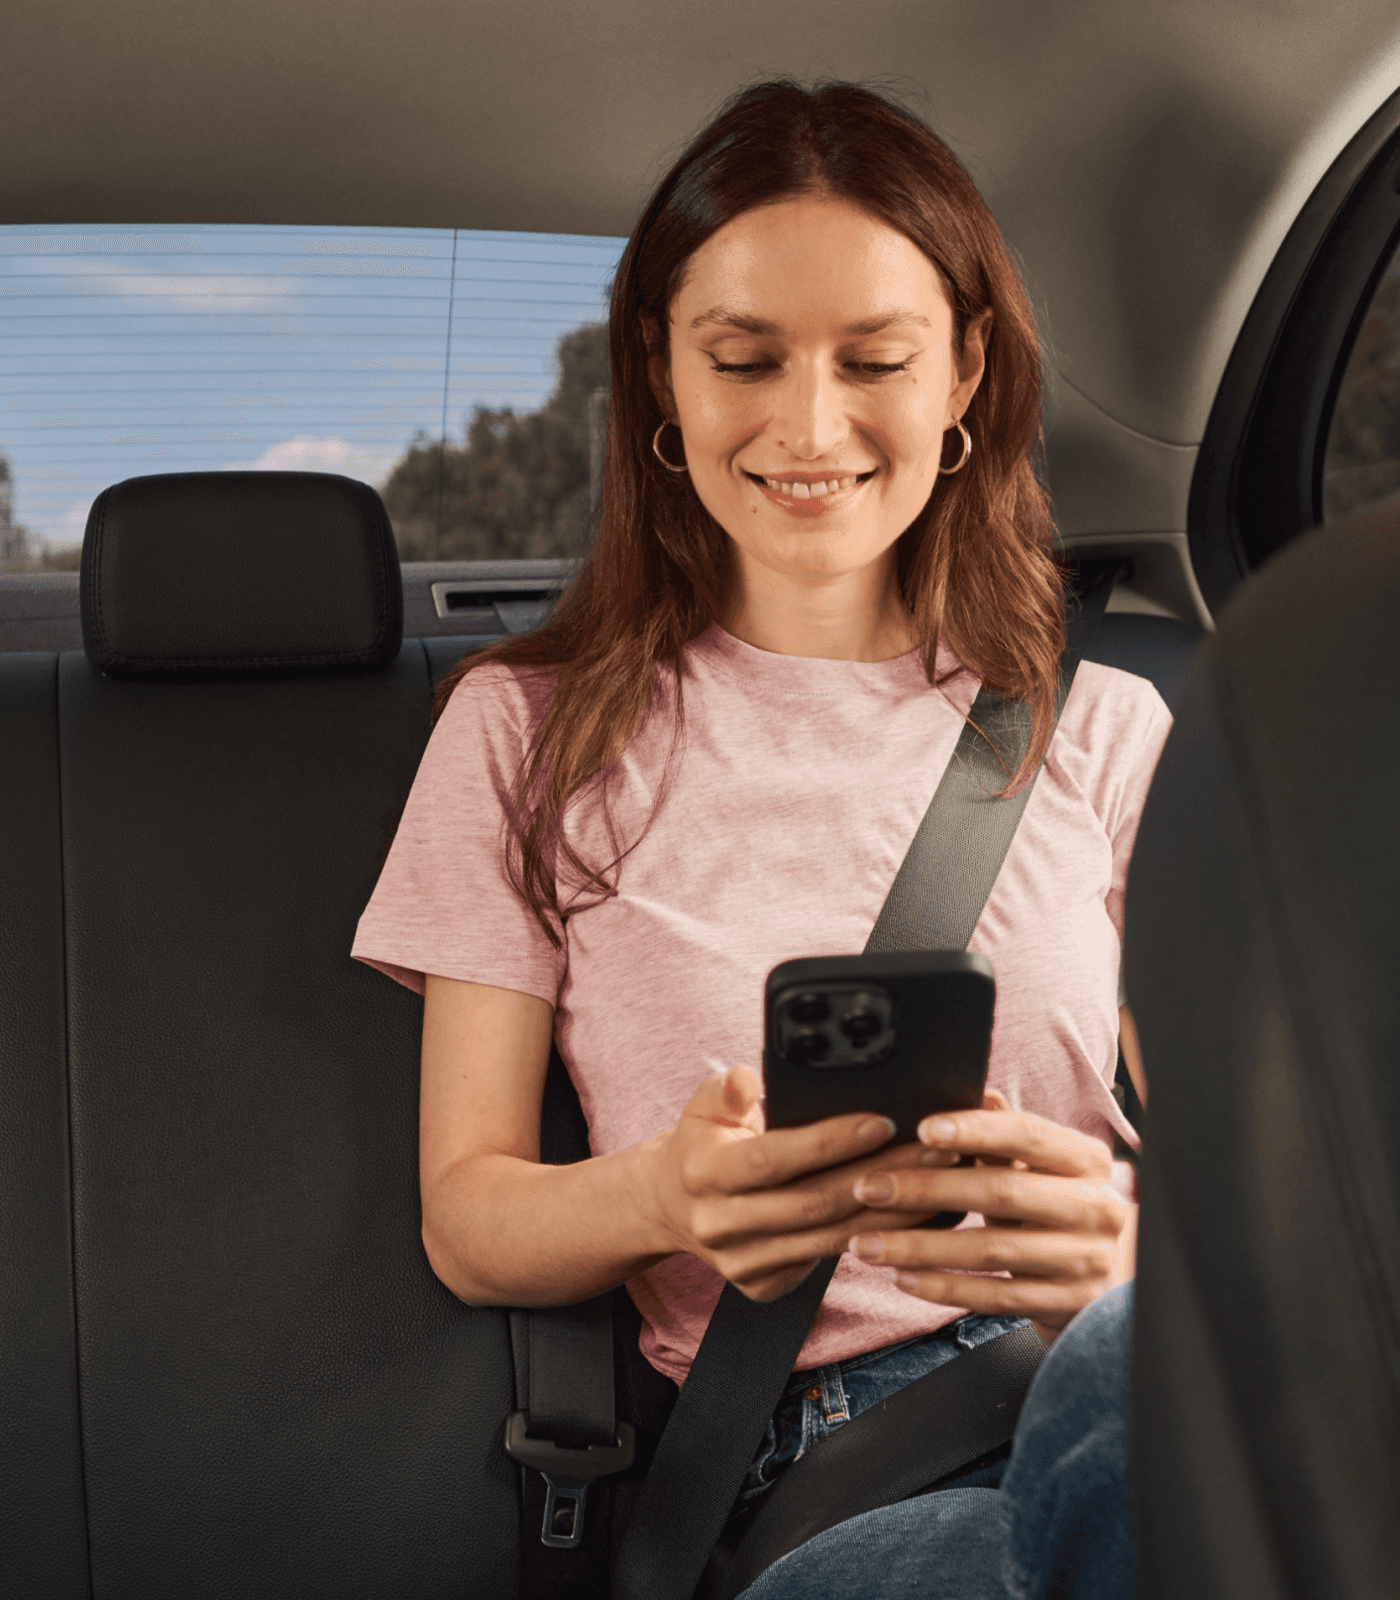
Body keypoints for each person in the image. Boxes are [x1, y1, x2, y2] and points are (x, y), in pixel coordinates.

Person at [353, 78, 1171, 1598]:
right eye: (743, 359)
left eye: (875, 359)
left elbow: (1260, 1198)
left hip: (1123, 1389)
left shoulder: (1110, 732)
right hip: (830, 1473)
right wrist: (668, 1196)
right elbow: (470, 1220)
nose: (809, 426)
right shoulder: (526, 735)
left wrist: (1118, 1246)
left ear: (966, 370)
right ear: (660, 372)